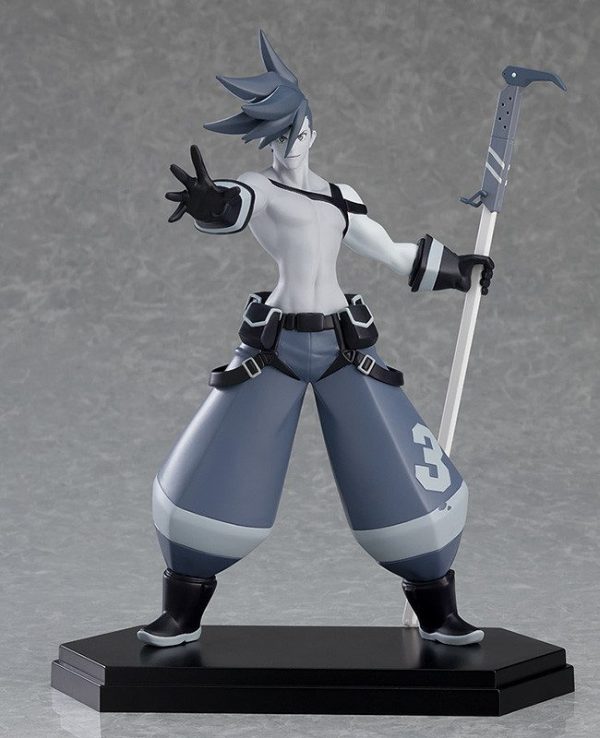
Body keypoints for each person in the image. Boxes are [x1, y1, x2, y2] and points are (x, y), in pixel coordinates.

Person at [137, 31, 494, 648]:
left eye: (294, 132)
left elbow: (391, 252)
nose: (287, 145)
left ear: (310, 131)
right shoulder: (261, 186)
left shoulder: (339, 197)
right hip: (271, 352)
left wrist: (460, 269)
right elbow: (235, 206)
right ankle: (181, 613)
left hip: (344, 348)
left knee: (403, 477)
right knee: (212, 475)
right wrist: (210, 204)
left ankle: (439, 613)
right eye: (275, 136)